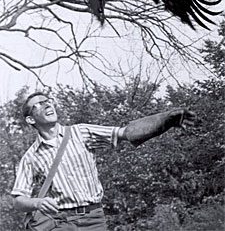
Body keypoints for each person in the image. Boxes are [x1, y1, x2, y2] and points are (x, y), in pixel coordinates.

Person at [11, 91, 195, 231]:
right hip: (61, 222)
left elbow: (126, 133)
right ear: (30, 119)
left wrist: (165, 120)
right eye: (39, 105)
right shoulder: (30, 156)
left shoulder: (80, 132)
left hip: (94, 219)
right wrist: (37, 203)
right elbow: (18, 200)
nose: (47, 104)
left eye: (48, 101)